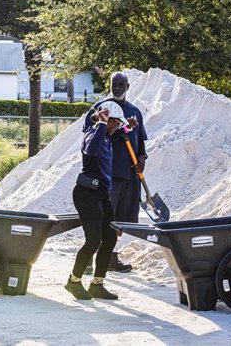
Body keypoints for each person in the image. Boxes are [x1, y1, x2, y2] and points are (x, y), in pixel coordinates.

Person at [82, 71, 148, 273]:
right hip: (107, 175)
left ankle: (110, 257)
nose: (117, 88)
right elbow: (92, 139)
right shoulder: (100, 109)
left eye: (121, 85)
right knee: (102, 219)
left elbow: (141, 145)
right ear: (109, 85)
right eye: (114, 84)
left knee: (120, 221)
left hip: (130, 176)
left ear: (128, 87)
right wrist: (119, 129)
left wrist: (142, 159)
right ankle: (87, 260)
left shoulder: (135, 112)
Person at [65, 101, 128, 300]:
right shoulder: (93, 133)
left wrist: (128, 126)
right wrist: (101, 123)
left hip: (101, 195)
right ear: (108, 121)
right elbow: (91, 150)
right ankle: (73, 281)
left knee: (109, 238)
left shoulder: (108, 136)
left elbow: (117, 134)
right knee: (93, 241)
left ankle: (97, 284)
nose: (118, 127)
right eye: (116, 123)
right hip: (87, 194)